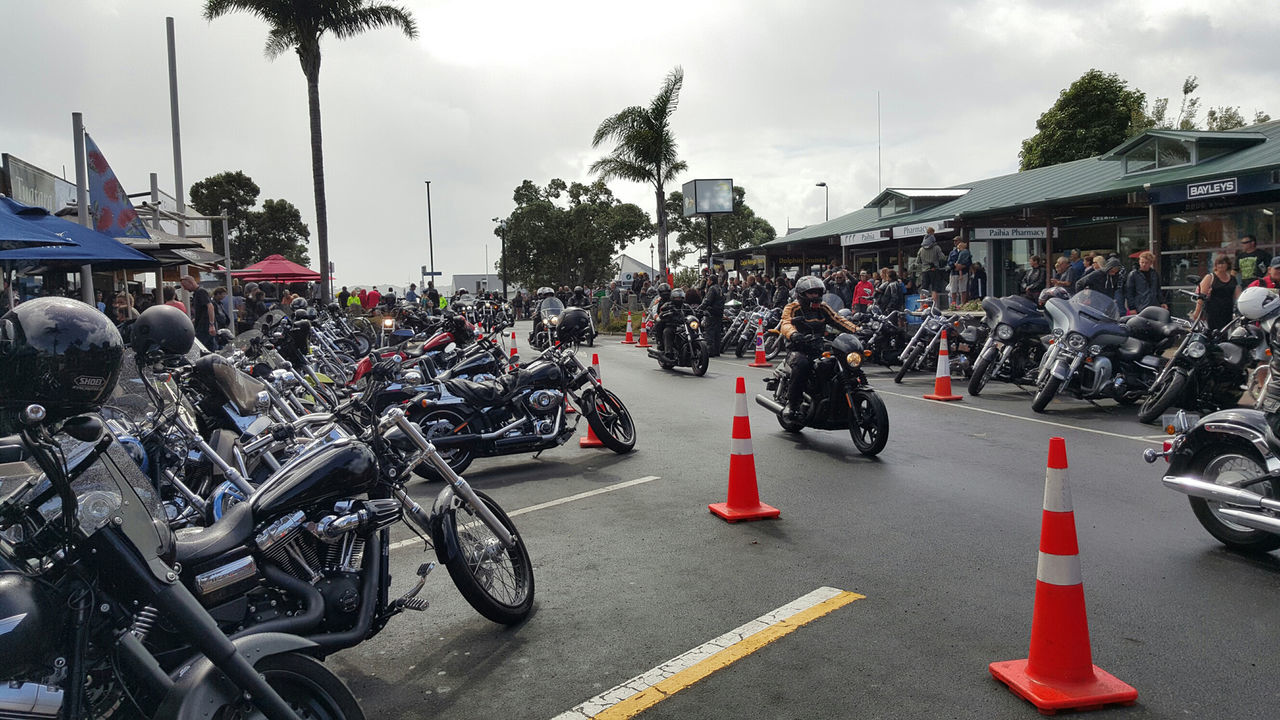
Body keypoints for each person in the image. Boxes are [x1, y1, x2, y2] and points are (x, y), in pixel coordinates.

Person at [779, 275, 860, 422]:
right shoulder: (793, 307)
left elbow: (838, 319)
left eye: (817, 292)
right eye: (811, 293)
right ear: (802, 294)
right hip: (798, 348)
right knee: (802, 364)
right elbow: (785, 323)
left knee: (837, 364)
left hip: (819, 346)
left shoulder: (823, 307)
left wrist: (857, 330)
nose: (815, 296)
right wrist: (794, 334)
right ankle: (792, 404)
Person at [1195, 254, 1240, 331]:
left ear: (1227, 265)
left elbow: (1238, 297)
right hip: (1212, 313)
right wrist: (1197, 312)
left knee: (1225, 336)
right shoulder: (1210, 277)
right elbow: (1201, 296)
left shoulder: (1233, 279)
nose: (1221, 266)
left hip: (1228, 312)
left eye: (1223, 263)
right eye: (1218, 263)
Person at [182, 274, 217, 350]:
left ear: (190, 282)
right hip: (203, 325)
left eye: (185, 286)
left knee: (200, 347)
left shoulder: (201, 292)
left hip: (204, 327)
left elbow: (210, 306)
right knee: (208, 348)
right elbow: (202, 311)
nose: (185, 288)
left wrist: (211, 324)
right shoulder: (197, 293)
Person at [916, 229, 947, 307]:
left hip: (924, 271)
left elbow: (918, 261)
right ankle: (934, 306)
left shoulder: (921, 249)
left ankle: (922, 306)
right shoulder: (936, 248)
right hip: (934, 270)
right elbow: (942, 258)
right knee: (934, 288)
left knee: (924, 289)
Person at [698, 273, 725, 356]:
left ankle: (710, 351)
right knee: (717, 333)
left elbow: (707, 301)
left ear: (711, 281)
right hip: (719, 313)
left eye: (708, 280)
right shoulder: (719, 288)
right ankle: (717, 351)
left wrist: (699, 308)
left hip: (711, 313)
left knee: (709, 332)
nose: (707, 282)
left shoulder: (712, 289)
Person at [948, 239, 972, 306]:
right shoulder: (952, 252)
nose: (955, 242)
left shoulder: (966, 252)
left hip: (964, 272)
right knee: (953, 289)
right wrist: (954, 265)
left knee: (963, 289)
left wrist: (962, 266)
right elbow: (949, 262)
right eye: (954, 241)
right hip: (954, 273)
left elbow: (969, 262)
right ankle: (953, 305)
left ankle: (962, 304)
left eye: (957, 241)